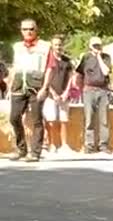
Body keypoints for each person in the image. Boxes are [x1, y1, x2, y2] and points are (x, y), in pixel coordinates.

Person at [7, 18, 54, 162]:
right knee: (14, 118)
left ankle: (35, 152)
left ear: (36, 30)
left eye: (31, 29)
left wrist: (45, 88)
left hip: (36, 86)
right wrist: (9, 87)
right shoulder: (17, 46)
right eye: (25, 29)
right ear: (21, 31)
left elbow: (50, 69)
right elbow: (14, 67)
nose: (28, 32)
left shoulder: (45, 47)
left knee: (36, 120)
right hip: (19, 85)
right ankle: (21, 149)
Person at [76, 36, 112, 154]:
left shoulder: (106, 57)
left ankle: (103, 145)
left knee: (104, 120)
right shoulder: (85, 57)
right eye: (95, 45)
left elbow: (106, 72)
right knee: (89, 118)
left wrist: (99, 57)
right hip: (89, 90)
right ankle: (89, 145)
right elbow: (79, 74)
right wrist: (80, 88)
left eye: (99, 45)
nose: (97, 47)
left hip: (102, 90)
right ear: (90, 46)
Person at [43, 34, 74, 154]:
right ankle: (52, 144)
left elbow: (71, 77)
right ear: (52, 46)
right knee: (51, 120)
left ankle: (64, 145)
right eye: (55, 45)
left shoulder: (67, 61)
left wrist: (66, 91)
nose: (58, 47)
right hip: (51, 95)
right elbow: (45, 78)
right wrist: (53, 92)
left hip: (64, 95)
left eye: (60, 45)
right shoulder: (48, 60)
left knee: (64, 120)